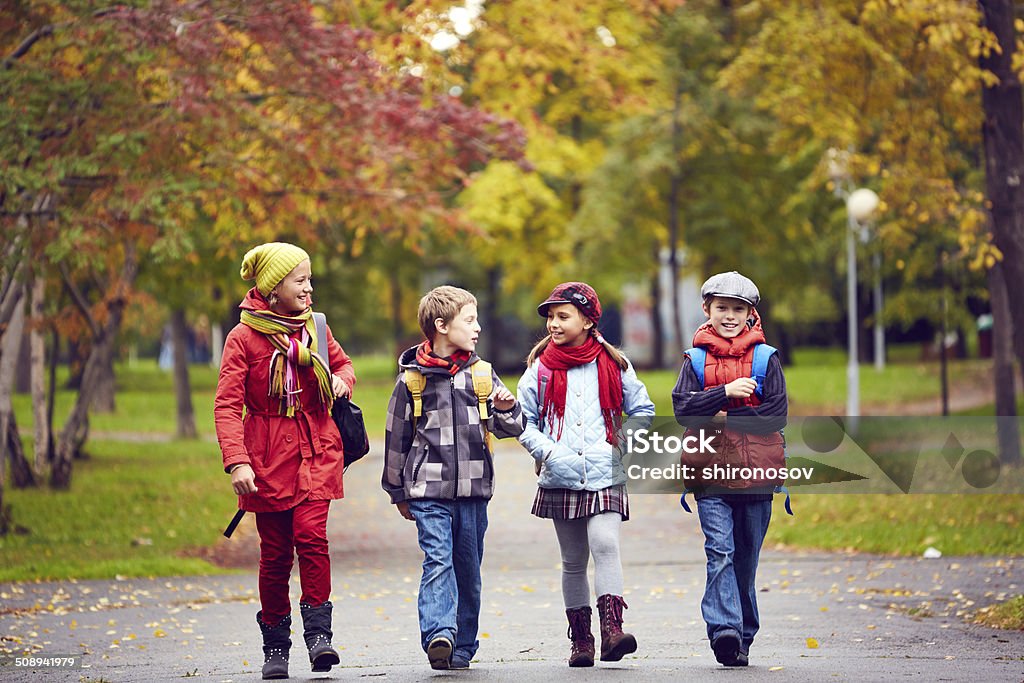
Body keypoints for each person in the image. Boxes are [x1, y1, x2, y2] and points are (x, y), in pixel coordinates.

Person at [214, 242, 355, 680]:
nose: (310, 289)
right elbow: (226, 405)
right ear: (273, 288)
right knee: (275, 555)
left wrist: (340, 380)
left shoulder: (316, 326)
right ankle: (276, 646)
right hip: (267, 455)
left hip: (317, 447)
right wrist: (238, 462)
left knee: (312, 539)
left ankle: (319, 637)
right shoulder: (243, 337)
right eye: (301, 281)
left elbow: (346, 366)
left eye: (310, 280)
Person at [382, 285, 526, 671]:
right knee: (438, 561)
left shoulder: (482, 375)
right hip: (428, 490)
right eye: (469, 320)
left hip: (474, 490)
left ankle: (462, 644)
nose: (477, 328)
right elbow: (396, 438)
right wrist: (397, 491)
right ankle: (438, 634)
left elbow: (511, 426)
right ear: (441, 326)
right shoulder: (412, 381)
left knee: (468, 568)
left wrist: (508, 409)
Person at [517, 282, 655, 668]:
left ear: (588, 320)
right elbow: (521, 422)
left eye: (563, 316)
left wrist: (623, 444)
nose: (553, 324)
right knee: (574, 560)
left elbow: (642, 408)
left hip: (606, 470)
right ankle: (581, 641)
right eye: (550, 317)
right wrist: (549, 452)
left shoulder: (614, 365)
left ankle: (613, 631)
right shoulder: (539, 370)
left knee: (605, 543)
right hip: (560, 474)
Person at [671, 271, 788, 668]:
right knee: (719, 551)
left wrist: (719, 417)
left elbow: (776, 416)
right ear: (707, 310)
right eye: (722, 308)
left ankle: (744, 635)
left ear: (751, 314)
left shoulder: (765, 359)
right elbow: (682, 407)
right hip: (710, 476)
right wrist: (725, 393)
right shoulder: (696, 360)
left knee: (745, 560)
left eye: (738, 309)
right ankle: (724, 630)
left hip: (757, 477)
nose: (730, 316)